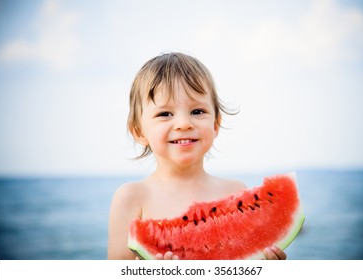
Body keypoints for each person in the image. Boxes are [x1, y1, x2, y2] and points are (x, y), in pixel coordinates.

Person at [108, 52, 287, 260]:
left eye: (197, 111)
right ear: (139, 131)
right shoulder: (131, 198)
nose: (184, 123)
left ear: (215, 124)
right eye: (165, 114)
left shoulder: (236, 192)